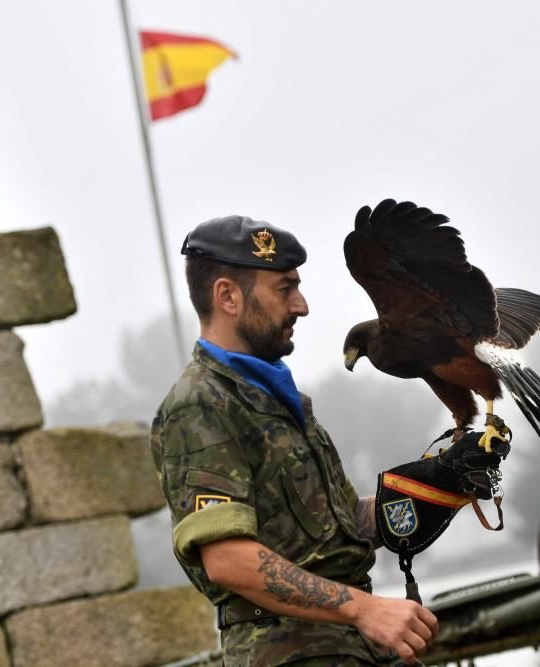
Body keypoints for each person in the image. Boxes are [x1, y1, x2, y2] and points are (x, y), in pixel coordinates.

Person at [150, 216, 440, 666]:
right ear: (227, 296)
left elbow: (346, 525)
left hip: (349, 650)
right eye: (285, 289)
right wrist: (364, 609)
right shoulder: (200, 403)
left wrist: (436, 486)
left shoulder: (278, 398)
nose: (301, 306)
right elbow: (228, 559)